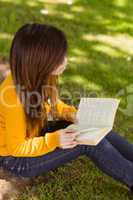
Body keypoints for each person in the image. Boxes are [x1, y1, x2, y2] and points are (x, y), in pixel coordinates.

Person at [0, 23, 133, 193]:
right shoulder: (12, 98)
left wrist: (74, 115)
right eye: (60, 58)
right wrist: (54, 140)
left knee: (91, 127)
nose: (65, 61)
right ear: (40, 63)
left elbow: (52, 106)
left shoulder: (36, 76)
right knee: (84, 143)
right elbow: (17, 147)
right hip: (17, 159)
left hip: (35, 134)